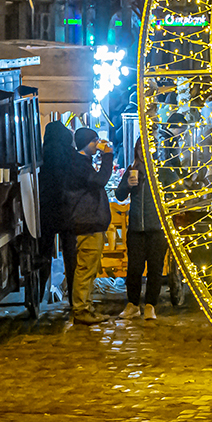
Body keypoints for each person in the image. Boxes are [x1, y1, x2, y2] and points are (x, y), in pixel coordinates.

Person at [62, 127, 115, 326]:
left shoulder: (80, 163)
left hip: (88, 222)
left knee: (89, 269)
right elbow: (100, 181)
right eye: (95, 141)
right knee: (85, 269)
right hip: (87, 223)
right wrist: (108, 156)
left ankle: (85, 305)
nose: (98, 144)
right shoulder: (79, 164)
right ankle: (81, 309)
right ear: (89, 143)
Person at [115, 143, 166, 320]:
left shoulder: (162, 170)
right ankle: (133, 304)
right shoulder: (132, 169)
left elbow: (175, 190)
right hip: (136, 227)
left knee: (155, 268)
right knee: (134, 269)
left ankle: (151, 305)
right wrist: (127, 185)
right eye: (139, 149)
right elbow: (119, 195)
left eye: (146, 149)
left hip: (157, 227)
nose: (142, 153)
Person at [38, 120, 76, 303]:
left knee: (44, 252)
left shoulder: (42, 155)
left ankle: (39, 292)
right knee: (71, 255)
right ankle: (73, 296)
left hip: (46, 209)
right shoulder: (70, 154)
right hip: (67, 208)